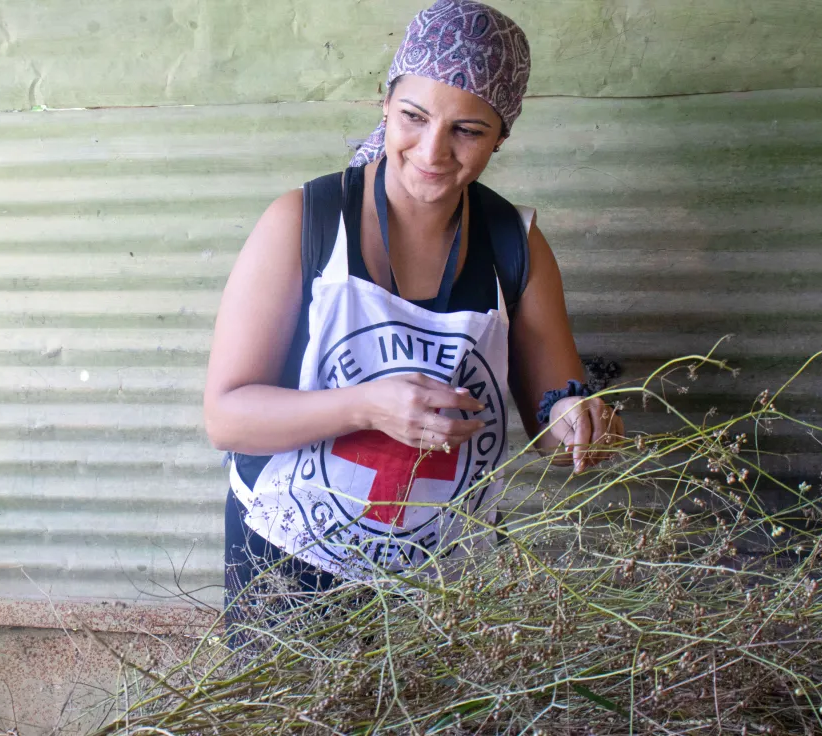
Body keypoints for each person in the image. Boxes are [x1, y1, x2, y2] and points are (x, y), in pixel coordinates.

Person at [206, 0, 624, 607]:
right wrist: (367, 405)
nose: (432, 152)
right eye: (413, 116)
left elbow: (553, 427)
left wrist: (581, 425)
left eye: (468, 130)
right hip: (284, 559)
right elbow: (228, 417)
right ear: (384, 102)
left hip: (437, 582)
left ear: (501, 136)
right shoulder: (307, 222)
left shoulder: (515, 244)